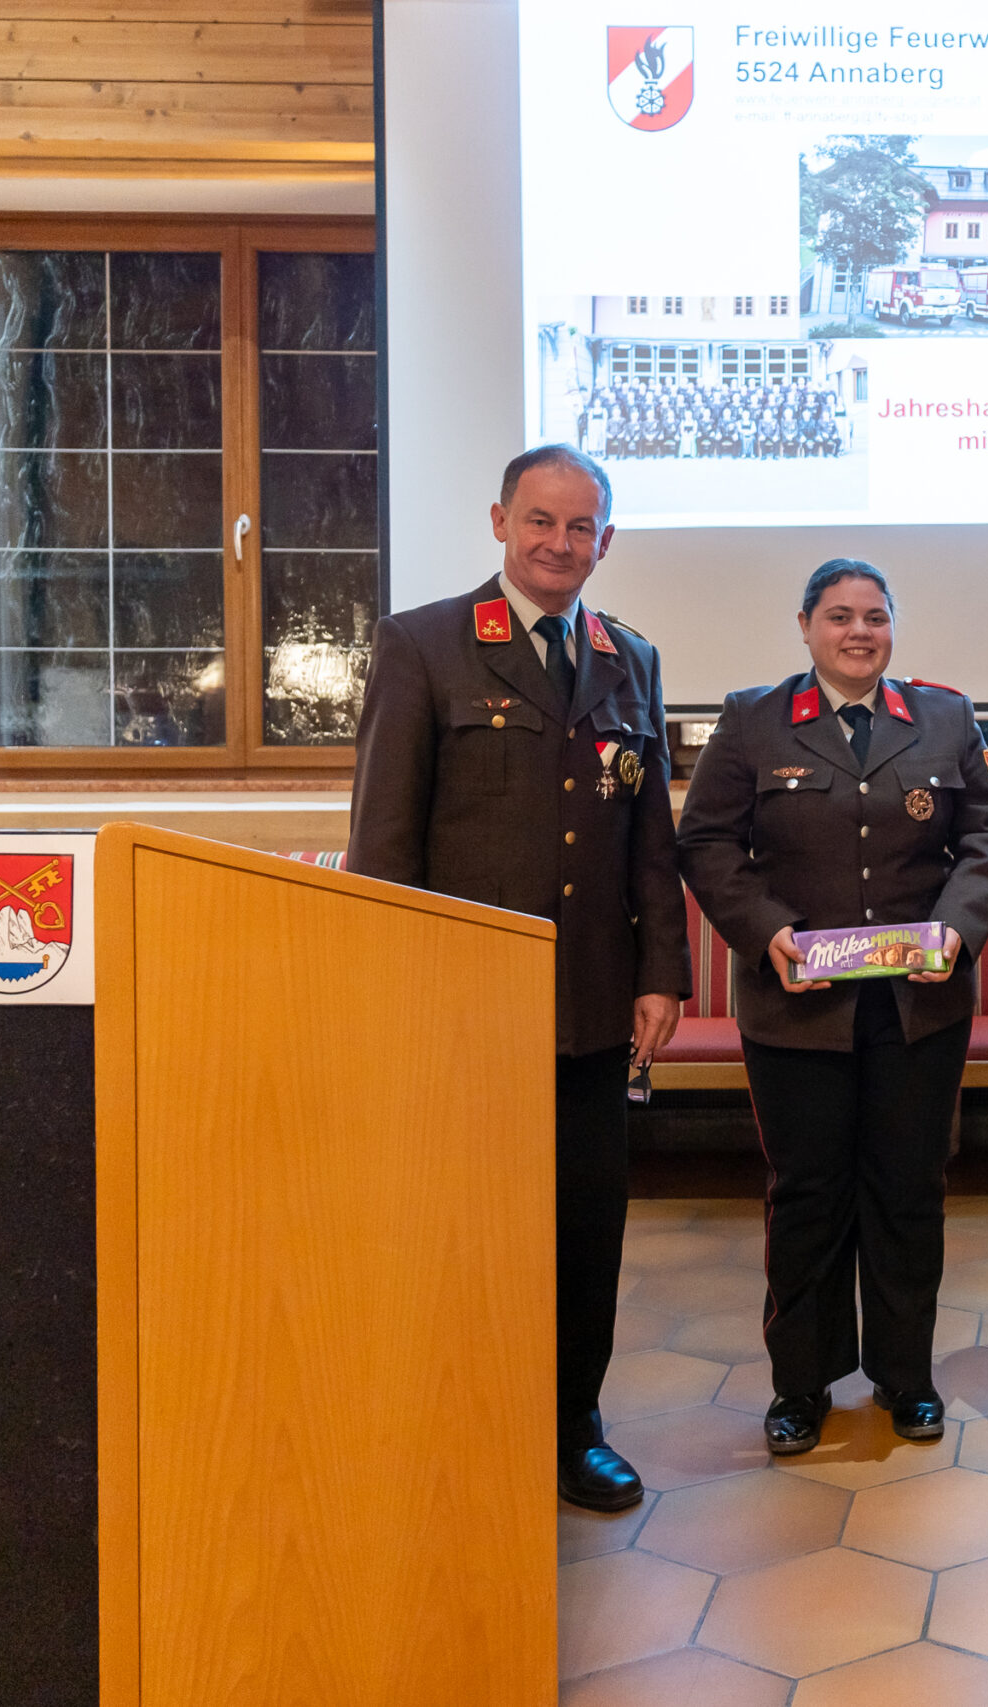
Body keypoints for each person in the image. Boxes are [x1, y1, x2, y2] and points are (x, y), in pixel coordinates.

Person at [347, 443, 689, 1512]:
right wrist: (398, 989)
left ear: (605, 540)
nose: (559, 544)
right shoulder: (423, 645)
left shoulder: (631, 658)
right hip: (462, 1006)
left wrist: (661, 973)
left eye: (580, 527)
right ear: (500, 521)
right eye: (540, 520)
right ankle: (461, 1419)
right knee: (462, 1229)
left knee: (587, 1229)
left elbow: (649, 840)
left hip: (590, 1004)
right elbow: (383, 841)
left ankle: (573, 1425)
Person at [676, 560, 988, 1453]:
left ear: (892, 626)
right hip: (796, 1007)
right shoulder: (752, 719)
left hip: (918, 1005)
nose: (858, 632)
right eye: (838, 616)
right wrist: (767, 933)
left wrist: (956, 929)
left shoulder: (944, 718)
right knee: (808, 1195)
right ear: (805, 626)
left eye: (874, 616)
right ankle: (801, 1383)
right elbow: (706, 842)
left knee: (909, 1190)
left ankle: (907, 1375)